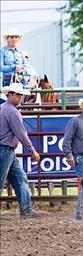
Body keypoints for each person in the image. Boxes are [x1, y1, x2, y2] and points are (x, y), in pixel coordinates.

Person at [0, 83, 43, 218]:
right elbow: (21, 133)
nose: (20, 97)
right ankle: (26, 210)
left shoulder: (3, 108)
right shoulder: (12, 111)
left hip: (7, 151)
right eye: (18, 95)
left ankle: (26, 210)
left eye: (21, 95)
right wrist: (32, 150)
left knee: (20, 178)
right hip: (5, 150)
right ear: (10, 94)